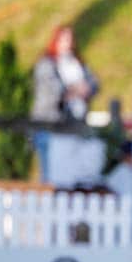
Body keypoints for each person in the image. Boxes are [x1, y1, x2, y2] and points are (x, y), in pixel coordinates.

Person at [31, 25, 100, 182]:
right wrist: (77, 89)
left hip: (72, 127)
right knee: (49, 174)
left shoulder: (77, 63)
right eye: (64, 39)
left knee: (69, 174)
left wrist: (84, 89)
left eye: (70, 39)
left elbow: (94, 84)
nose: (68, 43)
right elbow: (55, 91)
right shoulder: (47, 64)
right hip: (49, 125)